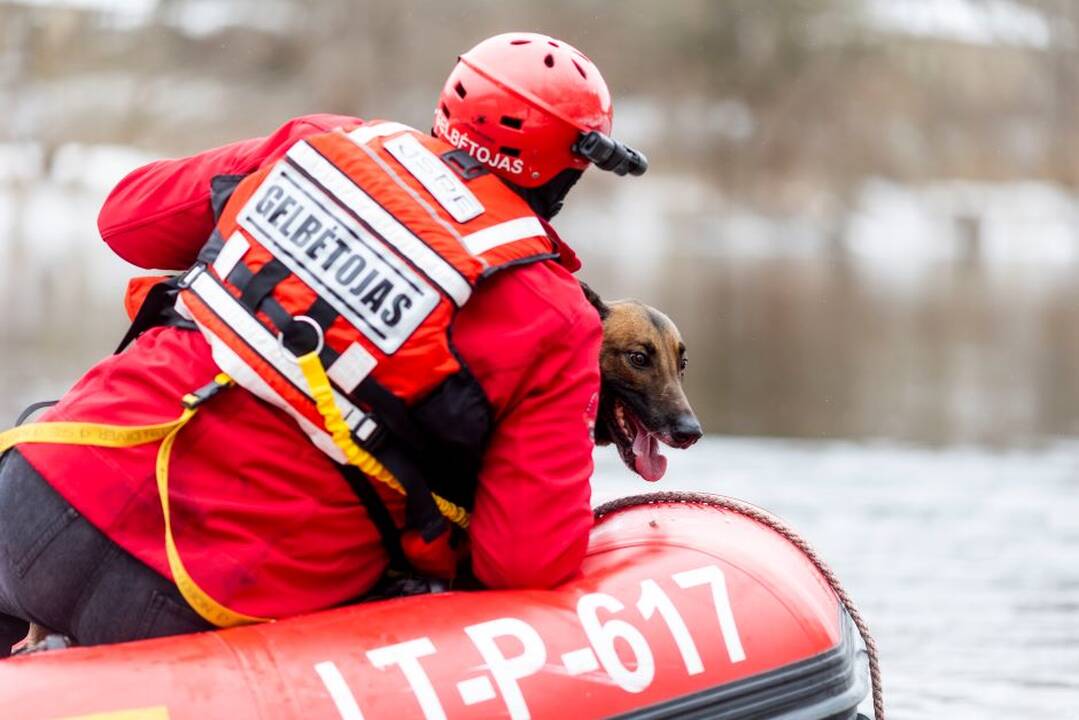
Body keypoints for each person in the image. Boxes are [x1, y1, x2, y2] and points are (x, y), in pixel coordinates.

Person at [0, 32, 648, 654]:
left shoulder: (322, 143)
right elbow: (525, 561)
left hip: (32, 497)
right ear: (574, 163)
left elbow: (128, 222)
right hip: (196, 592)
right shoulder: (553, 315)